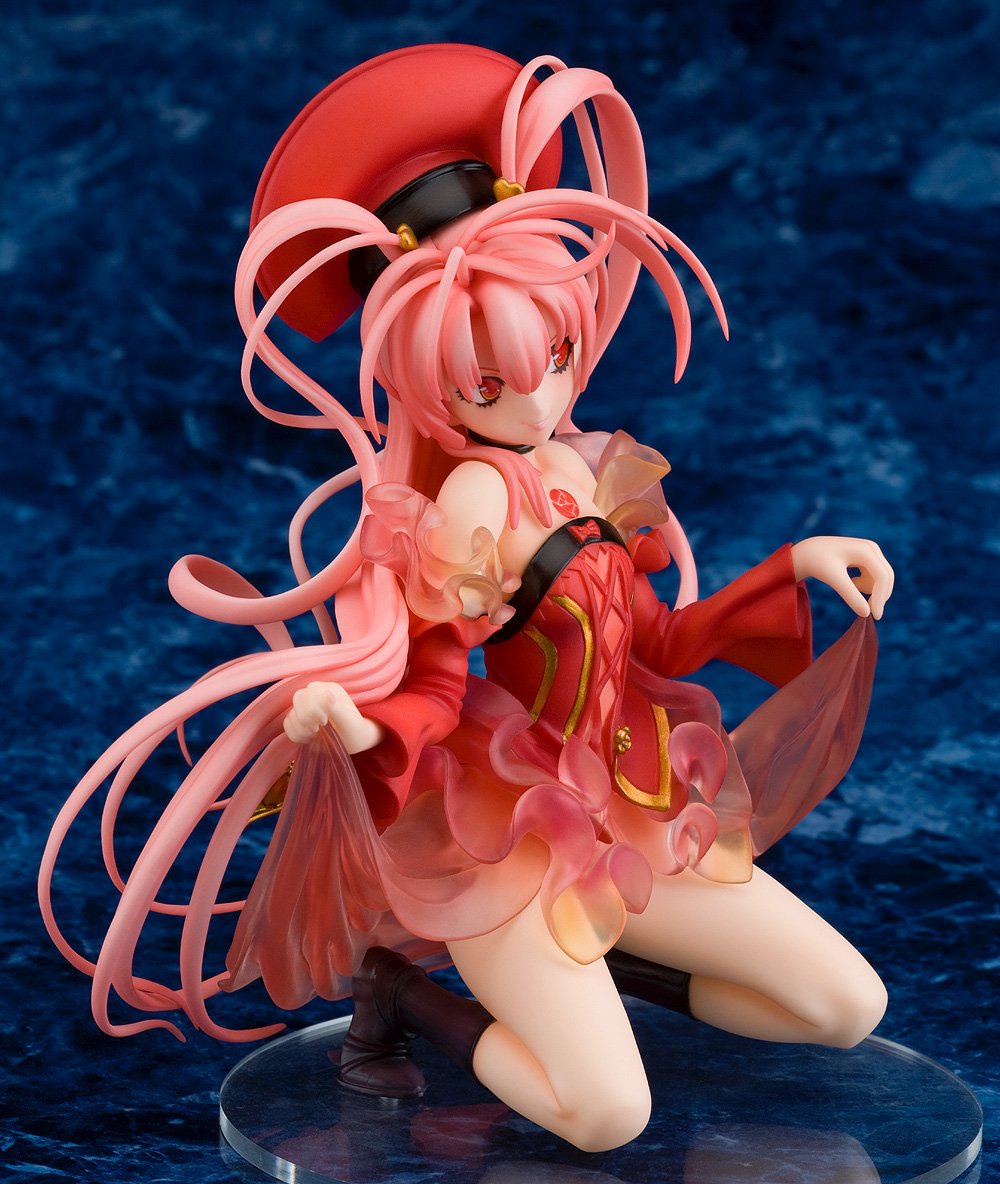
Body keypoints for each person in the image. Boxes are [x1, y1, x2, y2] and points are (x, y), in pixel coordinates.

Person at [40, 45, 894, 1152]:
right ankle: (405, 994)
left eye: (553, 354)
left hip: (632, 811)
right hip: (513, 844)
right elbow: (436, 683)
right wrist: (358, 729)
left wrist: (796, 565)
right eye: (488, 381)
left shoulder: (587, 468)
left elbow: (660, 639)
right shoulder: (466, 510)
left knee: (842, 1006)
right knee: (606, 1114)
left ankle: (613, 966)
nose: (534, 399)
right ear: (428, 379)